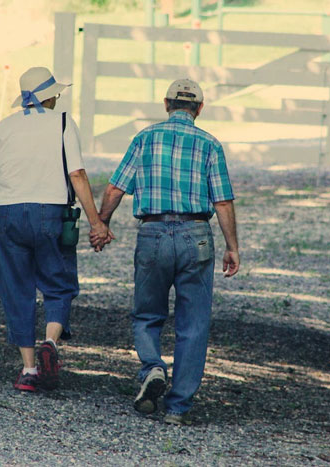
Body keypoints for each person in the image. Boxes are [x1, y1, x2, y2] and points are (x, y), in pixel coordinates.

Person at [94, 78, 239, 425]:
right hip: (197, 235)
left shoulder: (144, 139)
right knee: (194, 323)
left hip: (153, 232)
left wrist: (101, 224)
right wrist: (232, 247)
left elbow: (116, 188)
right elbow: (222, 200)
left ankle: (152, 367)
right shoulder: (210, 144)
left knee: (147, 313)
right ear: (199, 109)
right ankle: (177, 408)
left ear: (166, 104)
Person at [0, 66, 110, 393]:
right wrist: (96, 222)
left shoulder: (4, 127)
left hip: (8, 216)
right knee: (58, 283)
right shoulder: (62, 123)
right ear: (51, 96)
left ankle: (30, 369)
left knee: (16, 289)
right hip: (51, 213)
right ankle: (51, 341)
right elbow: (77, 175)